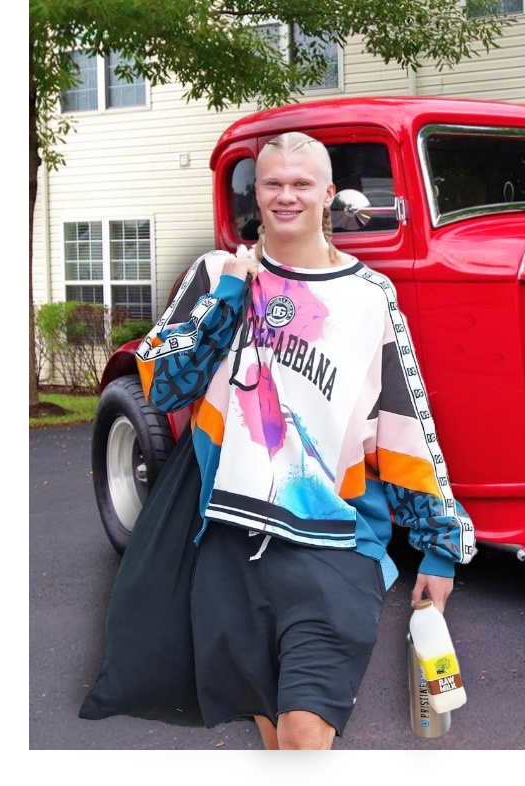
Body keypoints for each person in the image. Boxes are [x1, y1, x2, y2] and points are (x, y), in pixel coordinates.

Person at [135, 131, 475, 750]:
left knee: (304, 735)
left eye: (301, 183)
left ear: (327, 193)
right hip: (232, 540)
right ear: (256, 193)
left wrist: (437, 546)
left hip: (334, 545)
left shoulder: (370, 298)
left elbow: (403, 422)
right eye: (272, 183)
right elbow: (161, 382)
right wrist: (229, 297)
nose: (285, 195)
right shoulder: (215, 274)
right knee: (274, 737)